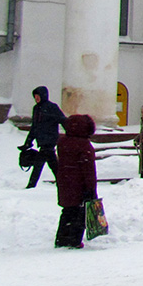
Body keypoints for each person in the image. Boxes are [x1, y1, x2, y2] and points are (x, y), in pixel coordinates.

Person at [55, 114, 98, 248]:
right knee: (80, 213)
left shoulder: (62, 142)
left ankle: (61, 238)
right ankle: (74, 240)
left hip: (65, 182)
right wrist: (91, 189)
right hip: (80, 185)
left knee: (67, 211)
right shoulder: (84, 146)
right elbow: (88, 170)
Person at [19, 85, 67, 189]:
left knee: (39, 164)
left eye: (38, 96)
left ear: (43, 96)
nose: (36, 99)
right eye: (35, 96)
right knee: (53, 165)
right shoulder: (36, 109)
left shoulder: (52, 107)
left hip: (50, 140)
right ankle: (63, 184)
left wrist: (71, 133)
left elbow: (63, 120)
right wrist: (28, 142)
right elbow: (34, 126)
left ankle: (31, 185)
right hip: (42, 141)